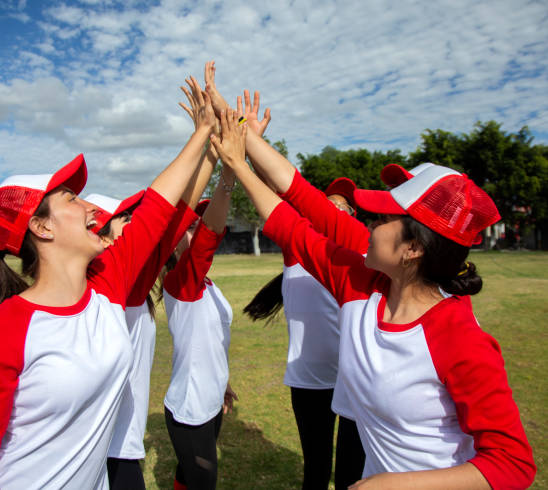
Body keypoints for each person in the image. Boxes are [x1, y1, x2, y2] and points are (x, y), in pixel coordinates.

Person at [211, 108, 536, 489]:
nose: (368, 222)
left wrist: (392, 483)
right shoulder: (360, 285)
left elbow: (513, 464)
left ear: (413, 247)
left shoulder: (459, 337)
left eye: (383, 218)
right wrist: (240, 153)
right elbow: (292, 216)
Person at [0, 78, 217, 489]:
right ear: (41, 226)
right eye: (71, 198)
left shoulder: (107, 286)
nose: (90, 207)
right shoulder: (0, 333)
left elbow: (163, 210)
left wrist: (205, 136)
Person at [84, 88, 222, 489]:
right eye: (124, 217)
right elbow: (173, 216)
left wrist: (214, 150)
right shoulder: (118, 282)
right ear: (102, 236)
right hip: (111, 452)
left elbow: (173, 217)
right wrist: (208, 143)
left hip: (110, 447)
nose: (136, 222)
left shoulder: (123, 283)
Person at [244, 177, 366, 489]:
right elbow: (274, 197)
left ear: (353, 215)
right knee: (316, 467)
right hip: (310, 379)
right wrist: (250, 147)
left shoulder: (358, 255)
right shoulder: (297, 250)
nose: (336, 211)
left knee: (351, 473)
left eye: (344, 208)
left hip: (354, 381)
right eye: (330, 205)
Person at [160, 178, 238, 490]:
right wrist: (228, 178)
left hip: (211, 398)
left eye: (200, 225)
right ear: (176, 239)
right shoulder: (180, 283)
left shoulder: (207, 284)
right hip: (190, 408)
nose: (200, 232)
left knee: (187, 475)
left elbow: (213, 341)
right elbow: (208, 240)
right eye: (192, 227)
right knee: (201, 483)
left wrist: (223, 381)